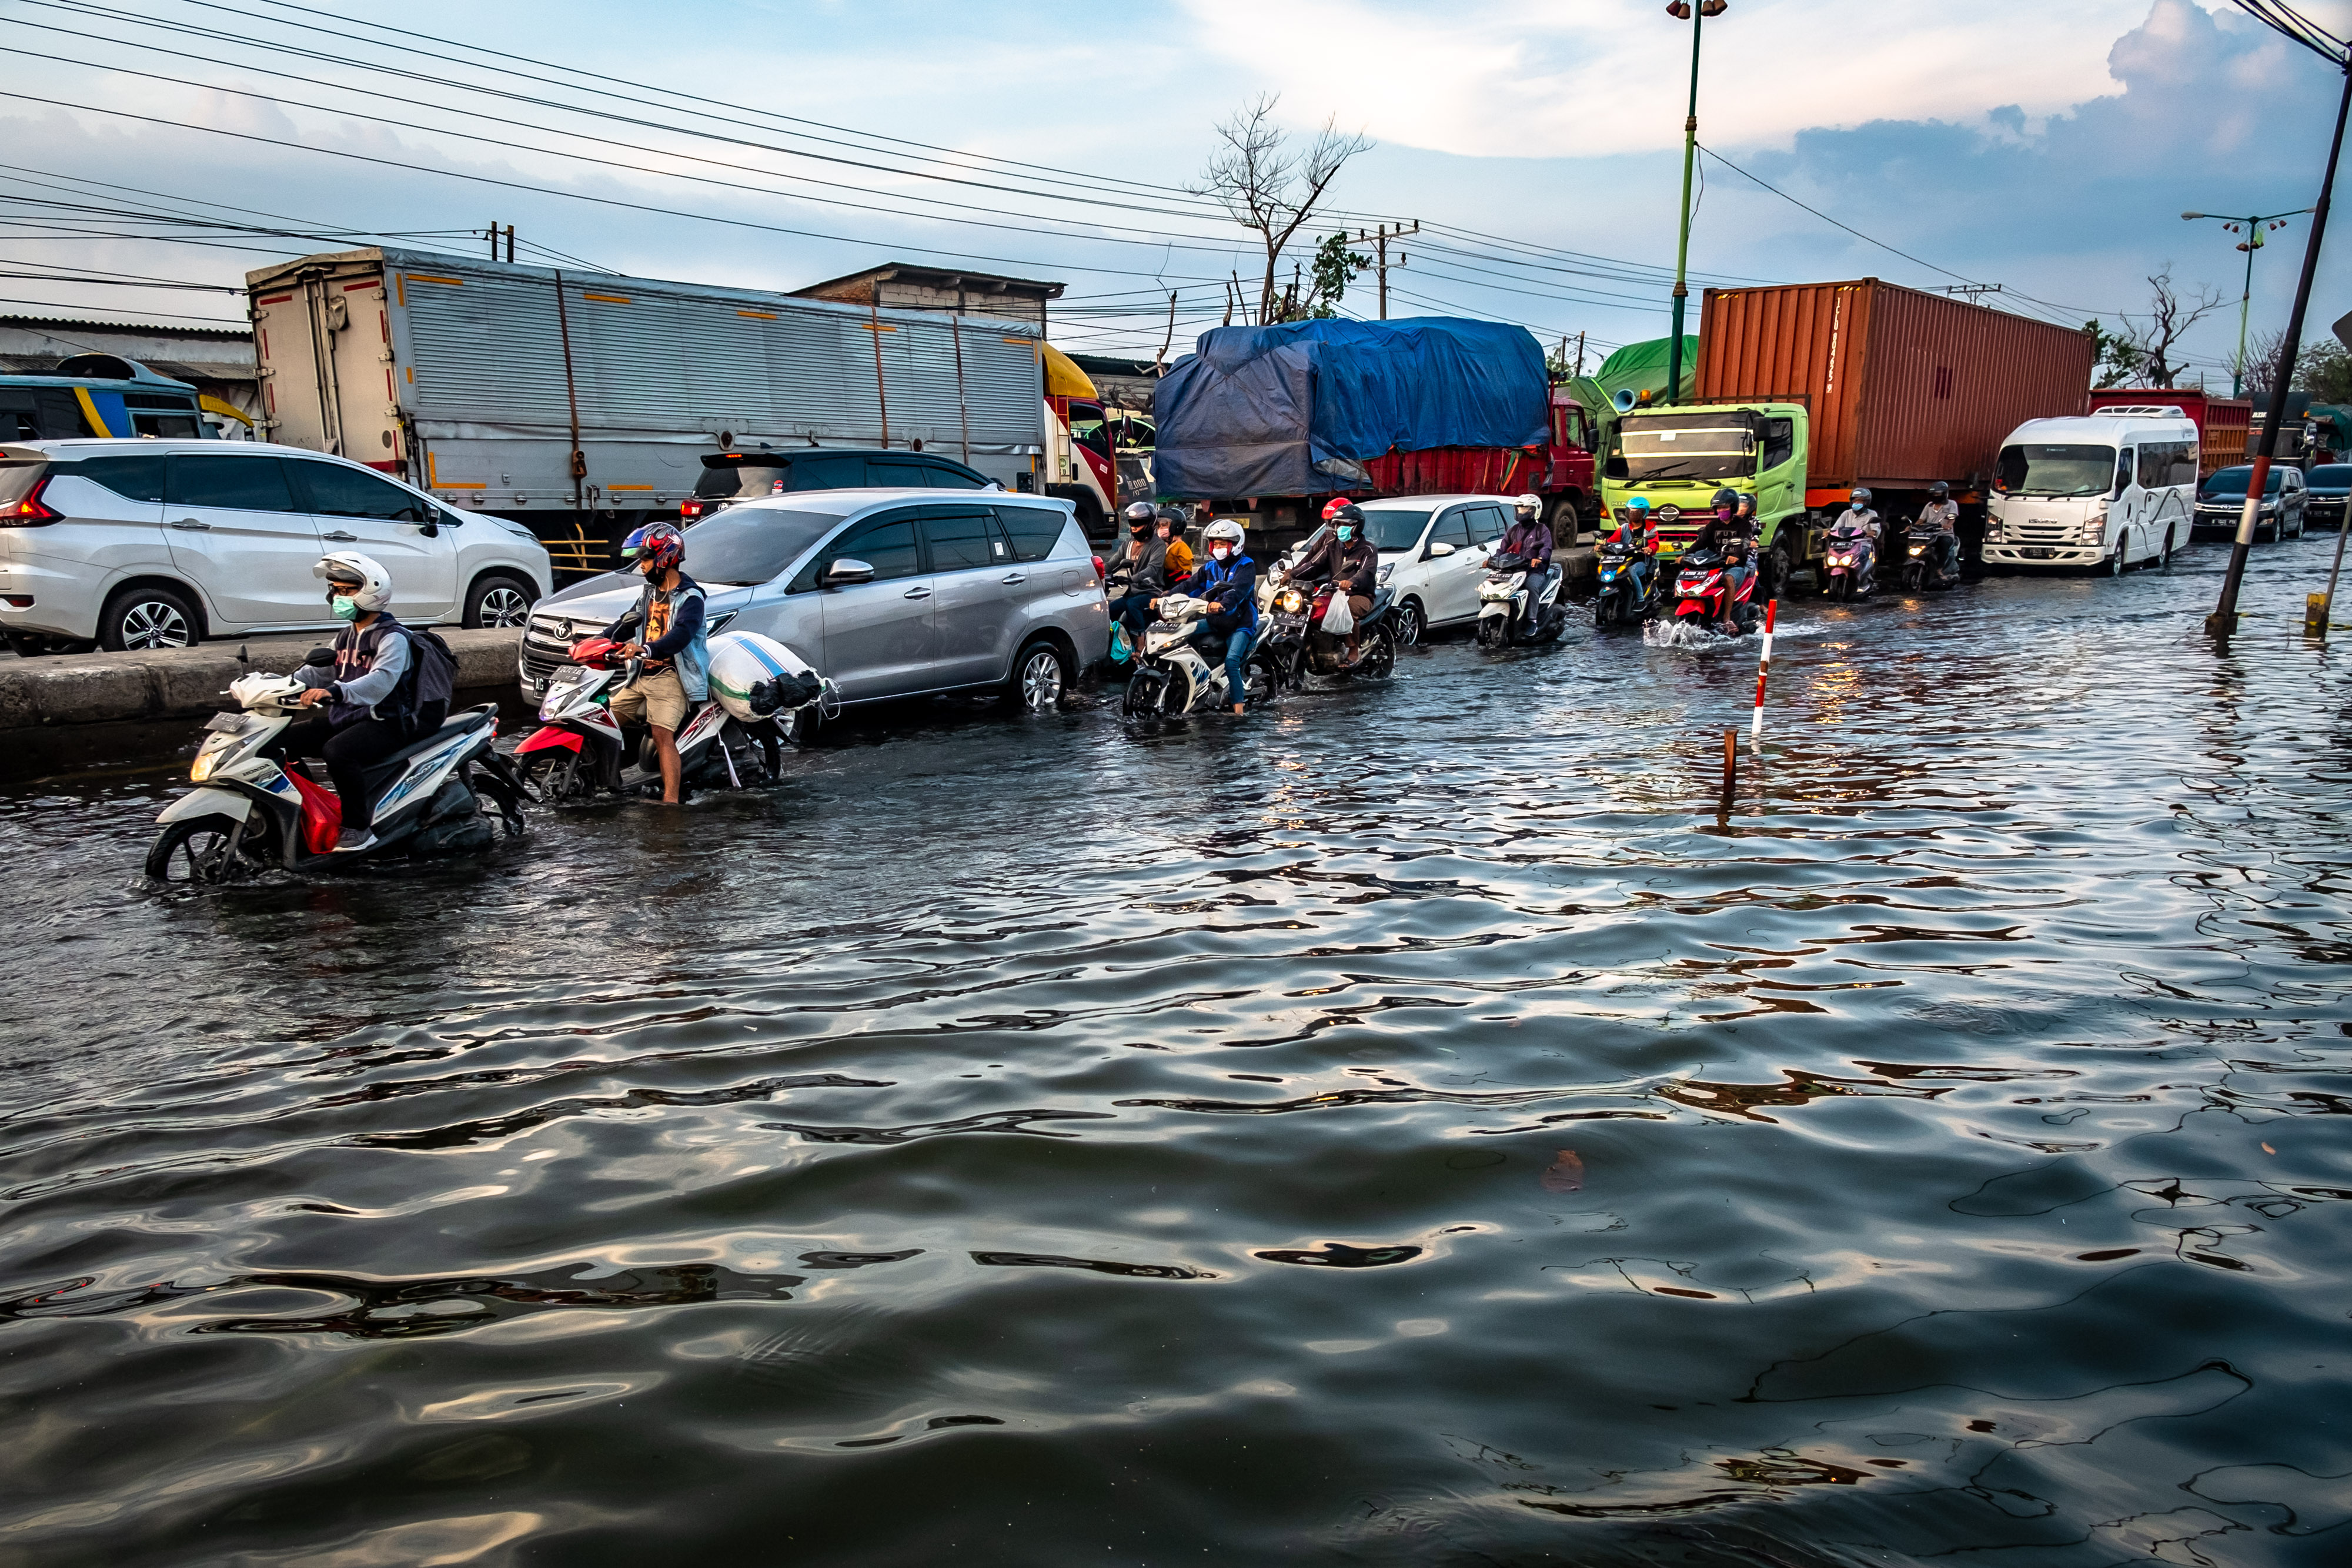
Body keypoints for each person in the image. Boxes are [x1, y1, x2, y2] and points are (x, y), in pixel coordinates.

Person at [293, 552, 417, 853]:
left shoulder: (393, 638)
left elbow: (381, 682)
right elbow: (318, 671)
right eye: (334, 590)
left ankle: (358, 828)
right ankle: (307, 812)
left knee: (337, 752)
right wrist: (277, 684)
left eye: (345, 591)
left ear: (370, 593)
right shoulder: (347, 635)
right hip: (348, 718)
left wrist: (335, 692)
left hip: (386, 721)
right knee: (283, 743)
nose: (337, 597)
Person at [600, 520, 709, 804]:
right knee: (603, 722)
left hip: (672, 677)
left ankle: (671, 802)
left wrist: (647, 650)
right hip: (639, 677)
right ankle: (608, 783)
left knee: (662, 735)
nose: (641, 566)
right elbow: (626, 622)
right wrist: (597, 641)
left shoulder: (691, 597)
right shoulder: (650, 593)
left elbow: (682, 635)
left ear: (665, 557)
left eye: (646, 559)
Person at [1157, 519, 1258, 715]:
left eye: (1223, 544)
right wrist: (1165, 597)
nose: (1218, 548)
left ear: (1236, 545)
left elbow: (1237, 591)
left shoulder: (1246, 566)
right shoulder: (1210, 567)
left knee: (1232, 662)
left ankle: (1239, 711)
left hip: (1240, 623)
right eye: (1216, 544)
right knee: (1182, 634)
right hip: (1215, 621)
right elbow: (1189, 585)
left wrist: (1223, 605)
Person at [1290, 502, 1379, 660]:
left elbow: (1366, 573)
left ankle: (1353, 651)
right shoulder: (1332, 545)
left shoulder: (1369, 550)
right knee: (1309, 607)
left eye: (1344, 524)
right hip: (1334, 593)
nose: (1340, 529)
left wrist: (1351, 582)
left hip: (1360, 594)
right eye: (1337, 525)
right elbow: (1314, 565)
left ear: (1356, 526)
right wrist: (1292, 575)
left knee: (1348, 610)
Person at [1106, 502, 1173, 643]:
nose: (1134, 527)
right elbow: (1112, 564)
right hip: (1132, 593)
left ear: (1150, 524)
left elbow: (1153, 569)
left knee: (1133, 605)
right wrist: (1095, 572)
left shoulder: (1158, 545)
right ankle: (1113, 643)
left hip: (1151, 592)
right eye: (1132, 523)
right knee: (1108, 610)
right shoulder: (1128, 544)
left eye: (1139, 523)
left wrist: (1130, 580)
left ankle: (1140, 645)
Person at [1689, 487, 1756, 626]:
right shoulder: (1713, 525)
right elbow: (1700, 543)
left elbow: (1744, 543)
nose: (1721, 511)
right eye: (1718, 508)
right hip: (1714, 564)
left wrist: (1736, 556)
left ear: (1733, 507)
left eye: (1724, 507)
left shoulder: (1744, 525)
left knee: (1728, 579)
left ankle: (1726, 618)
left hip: (1736, 566)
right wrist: (1685, 556)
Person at [1495, 493, 1556, 626]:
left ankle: (1532, 620)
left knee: (1531, 587)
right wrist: (1492, 560)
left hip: (1534, 571)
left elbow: (1546, 548)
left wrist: (1539, 559)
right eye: (1519, 509)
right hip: (1514, 571)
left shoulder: (1542, 530)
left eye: (1526, 509)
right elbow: (1502, 549)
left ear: (1535, 510)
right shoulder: (1513, 530)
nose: (1522, 512)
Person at [1602, 497, 1661, 605]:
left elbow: (1655, 543)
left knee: (1632, 571)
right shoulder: (1624, 528)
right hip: (1623, 560)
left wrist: (1649, 548)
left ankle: (1640, 600)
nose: (1633, 514)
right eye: (1631, 511)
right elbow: (1612, 541)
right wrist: (1603, 545)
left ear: (1644, 513)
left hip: (1641, 562)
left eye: (1637, 512)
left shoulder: (1650, 528)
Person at [1917, 480, 1960, 582]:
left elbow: (1952, 517)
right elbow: (1921, 520)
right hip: (1929, 534)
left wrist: (1948, 525)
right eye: (1934, 494)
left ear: (1944, 494)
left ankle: (1939, 569)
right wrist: (1912, 527)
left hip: (1944, 534)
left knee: (1944, 544)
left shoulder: (1951, 504)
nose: (1935, 496)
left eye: (1938, 494)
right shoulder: (1929, 506)